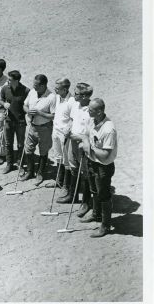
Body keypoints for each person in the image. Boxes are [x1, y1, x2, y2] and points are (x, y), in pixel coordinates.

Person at [80, 98, 117, 238]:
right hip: (91, 162)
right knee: (93, 190)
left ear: (100, 111)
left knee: (104, 195)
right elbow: (85, 134)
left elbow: (106, 155)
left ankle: (105, 225)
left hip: (103, 166)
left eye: (91, 109)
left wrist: (90, 148)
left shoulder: (108, 129)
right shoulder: (91, 119)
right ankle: (96, 215)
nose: (88, 110)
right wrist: (85, 143)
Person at [57, 83, 93, 219]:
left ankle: (85, 202)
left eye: (76, 93)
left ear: (84, 96)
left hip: (83, 145)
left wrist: (83, 141)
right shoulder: (76, 105)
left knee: (85, 173)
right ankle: (73, 195)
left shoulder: (91, 109)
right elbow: (73, 120)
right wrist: (68, 128)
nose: (74, 94)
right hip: (72, 141)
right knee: (73, 168)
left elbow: (92, 132)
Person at [21, 74, 56, 185]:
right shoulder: (32, 92)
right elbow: (24, 105)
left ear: (43, 85)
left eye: (36, 85)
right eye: (34, 84)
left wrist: (40, 113)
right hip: (32, 127)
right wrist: (27, 111)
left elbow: (53, 116)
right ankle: (30, 171)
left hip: (45, 128)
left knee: (43, 151)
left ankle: (40, 173)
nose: (33, 86)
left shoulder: (52, 97)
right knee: (28, 150)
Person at [0, 70, 30, 174]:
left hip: (20, 122)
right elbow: (1, 100)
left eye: (10, 79)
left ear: (16, 80)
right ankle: (9, 164)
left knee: (20, 144)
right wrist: (4, 104)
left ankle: (19, 163)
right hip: (8, 121)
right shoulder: (5, 88)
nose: (8, 80)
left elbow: (28, 105)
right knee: (8, 143)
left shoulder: (26, 90)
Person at [52, 78, 75, 196]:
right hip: (55, 131)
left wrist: (68, 129)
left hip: (65, 134)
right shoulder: (57, 97)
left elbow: (73, 119)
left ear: (65, 89)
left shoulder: (72, 101)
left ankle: (66, 186)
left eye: (57, 88)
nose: (55, 89)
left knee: (66, 161)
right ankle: (59, 181)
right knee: (58, 157)